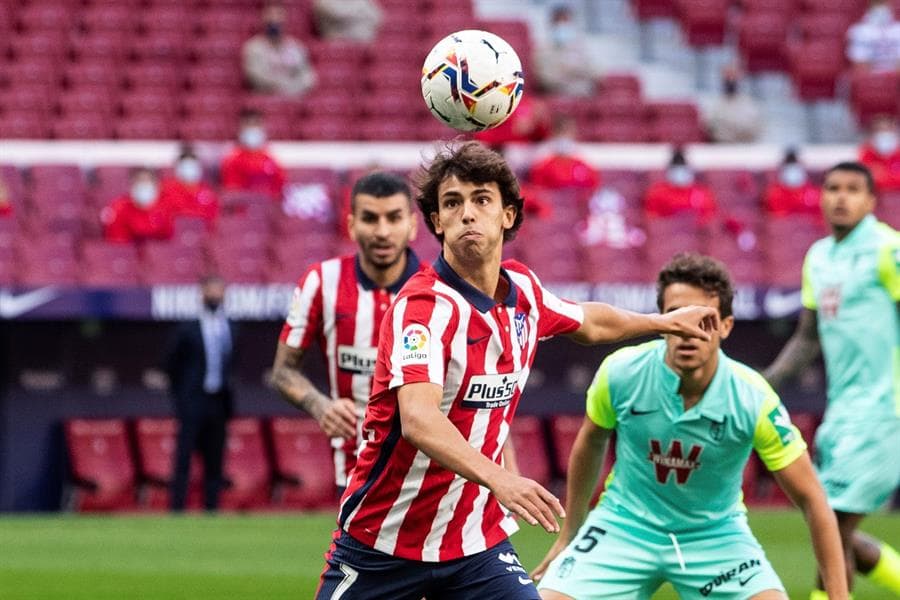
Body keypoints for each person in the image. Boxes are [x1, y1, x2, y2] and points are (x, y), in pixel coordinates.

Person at [314, 141, 719, 599]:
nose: (468, 213)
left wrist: (660, 321)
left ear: (508, 215)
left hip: (474, 545)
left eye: (482, 199)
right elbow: (419, 419)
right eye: (452, 203)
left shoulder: (523, 290)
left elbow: (590, 321)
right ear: (436, 222)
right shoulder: (423, 309)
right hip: (382, 544)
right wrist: (502, 479)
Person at [533, 253, 847, 600]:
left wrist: (838, 596)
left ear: (726, 326)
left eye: (704, 320)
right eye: (675, 317)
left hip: (716, 537)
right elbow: (590, 444)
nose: (687, 331)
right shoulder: (622, 372)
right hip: (623, 527)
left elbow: (813, 499)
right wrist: (569, 534)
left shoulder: (752, 397)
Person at [764, 161, 900, 599]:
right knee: (832, 527)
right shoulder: (818, 257)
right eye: (833, 188)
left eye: (853, 190)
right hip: (841, 413)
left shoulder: (887, 249)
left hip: (885, 411)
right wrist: (760, 385)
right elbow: (806, 339)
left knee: (831, 522)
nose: (841, 197)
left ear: (871, 201)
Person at [272, 171, 423, 493]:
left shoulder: (439, 290)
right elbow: (283, 372)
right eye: (370, 219)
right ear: (352, 225)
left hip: (432, 476)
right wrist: (320, 405)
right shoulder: (321, 282)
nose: (382, 231)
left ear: (412, 225)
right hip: (356, 473)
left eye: (393, 218)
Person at [164, 274, 237, 512]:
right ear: (202, 293)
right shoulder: (188, 328)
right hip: (193, 400)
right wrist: (182, 397)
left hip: (218, 401)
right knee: (184, 457)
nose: (215, 296)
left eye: (219, 291)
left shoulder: (230, 327)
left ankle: (211, 509)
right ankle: (177, 509)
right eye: (211, 290)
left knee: (215, 458)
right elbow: (171, 365)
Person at [242, 3, 317, 96]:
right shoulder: (254, 47)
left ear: (285, 22)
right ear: (263, 22)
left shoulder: (296, 47)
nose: (274, 25)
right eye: (271, 22)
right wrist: (280, 85)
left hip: (294, 97)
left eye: (278, 22)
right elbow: (255, 76)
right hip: (266, 98)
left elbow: (308, 78)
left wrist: (293, 88)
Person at [534, 5, 602, 96]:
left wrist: (570, 71)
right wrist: (574, 72)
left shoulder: (580, 47)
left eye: (566, 21)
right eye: (559, 22)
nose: (563, 25)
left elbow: (596, 73)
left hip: (584, 94)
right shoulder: (543, 49)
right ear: (552, 24)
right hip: (558, 96)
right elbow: (546, 80)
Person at [219, 108, 286, 202]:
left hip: (268, 209)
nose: (252, 130)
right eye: (248, 125)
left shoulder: (270, 160)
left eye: (256, 125)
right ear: (240, 130)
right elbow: (233, 194)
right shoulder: (233, 161)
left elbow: (279, 188)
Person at [643, 147, 718, 224]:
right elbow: (652, 219)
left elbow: (710, 217)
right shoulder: (657, 193)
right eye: (676, 170)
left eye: (683, 170)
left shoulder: (702, 193)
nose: (680, 174)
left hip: (696, 232)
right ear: (669, 172)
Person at [101, 167, 174, 243]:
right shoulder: (118, 209)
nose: (143, 186)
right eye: (139, 182)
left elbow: (171, 243)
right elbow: (117, 246)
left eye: (147, 182)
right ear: (131, 185)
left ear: (157, 185)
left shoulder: (167, 207)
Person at [159, 144, 219, 230]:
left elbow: (213, 218)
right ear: (177, 168)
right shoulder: (166, 189)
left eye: (193, 166)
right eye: (185, 167)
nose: (189, 169)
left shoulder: (208, 191)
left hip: (202, 236)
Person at [704, 66, 763, 143]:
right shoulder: (713, 103)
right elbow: (711, 128)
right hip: (721, 147)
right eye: (728, 78)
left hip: (746, 148)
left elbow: (755, 129)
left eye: (734, 78)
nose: (731, 81)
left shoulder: (749, 104)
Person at [763, 148, 821, 217]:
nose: (793, 172)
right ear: (782, 170)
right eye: (789, 167)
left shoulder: (814, 194)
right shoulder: (774, 194)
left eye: (796, 166)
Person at [846, 0, 900, 74]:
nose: (881, 8)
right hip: (869, 80)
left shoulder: (898, 29)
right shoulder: (858, 31)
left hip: (895, 81)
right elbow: (860, 65)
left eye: (883, 3)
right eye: (877, 3)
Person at [859, 114, 900, 192]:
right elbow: (863, 179)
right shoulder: (867, 153)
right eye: (881, 131)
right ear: (873, 134)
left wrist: (882, 175)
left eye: (888, 130)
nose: (885, 135)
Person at [313, 0, 383, 43]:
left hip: (362, 36)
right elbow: (336, 13)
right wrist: (359, 12)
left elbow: (377, 16)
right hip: (337, 36)